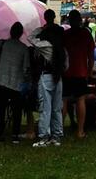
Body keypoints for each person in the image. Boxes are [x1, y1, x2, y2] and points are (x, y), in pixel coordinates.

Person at [0, 21, 31, 144]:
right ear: (21, 34)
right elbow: (26, 68)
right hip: (16, 84)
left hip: (0, 82)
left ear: (10, 32)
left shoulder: (0, 44)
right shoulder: (24, 48)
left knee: (0, 110)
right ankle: (15, 135)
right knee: (16, 111)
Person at [30, 8, 66, 147]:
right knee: (57, 108)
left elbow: (30, 38)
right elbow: (66, 65)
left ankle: (44, 136)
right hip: (58, 77)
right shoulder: (62, 48)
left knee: (45, 108)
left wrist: (42, 28)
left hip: (46, 77)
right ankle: (56, 136)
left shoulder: (45, 45)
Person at [62, 10, 96, 138]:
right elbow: (91, 57)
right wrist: (89, 72)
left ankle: (59, 130)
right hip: (81, 72)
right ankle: (80, 131)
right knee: (80, 100)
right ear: (80, 20)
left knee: (64, 100)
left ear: (69, 21)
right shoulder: (86, 34)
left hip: (66, 73)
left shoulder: (65, 35)